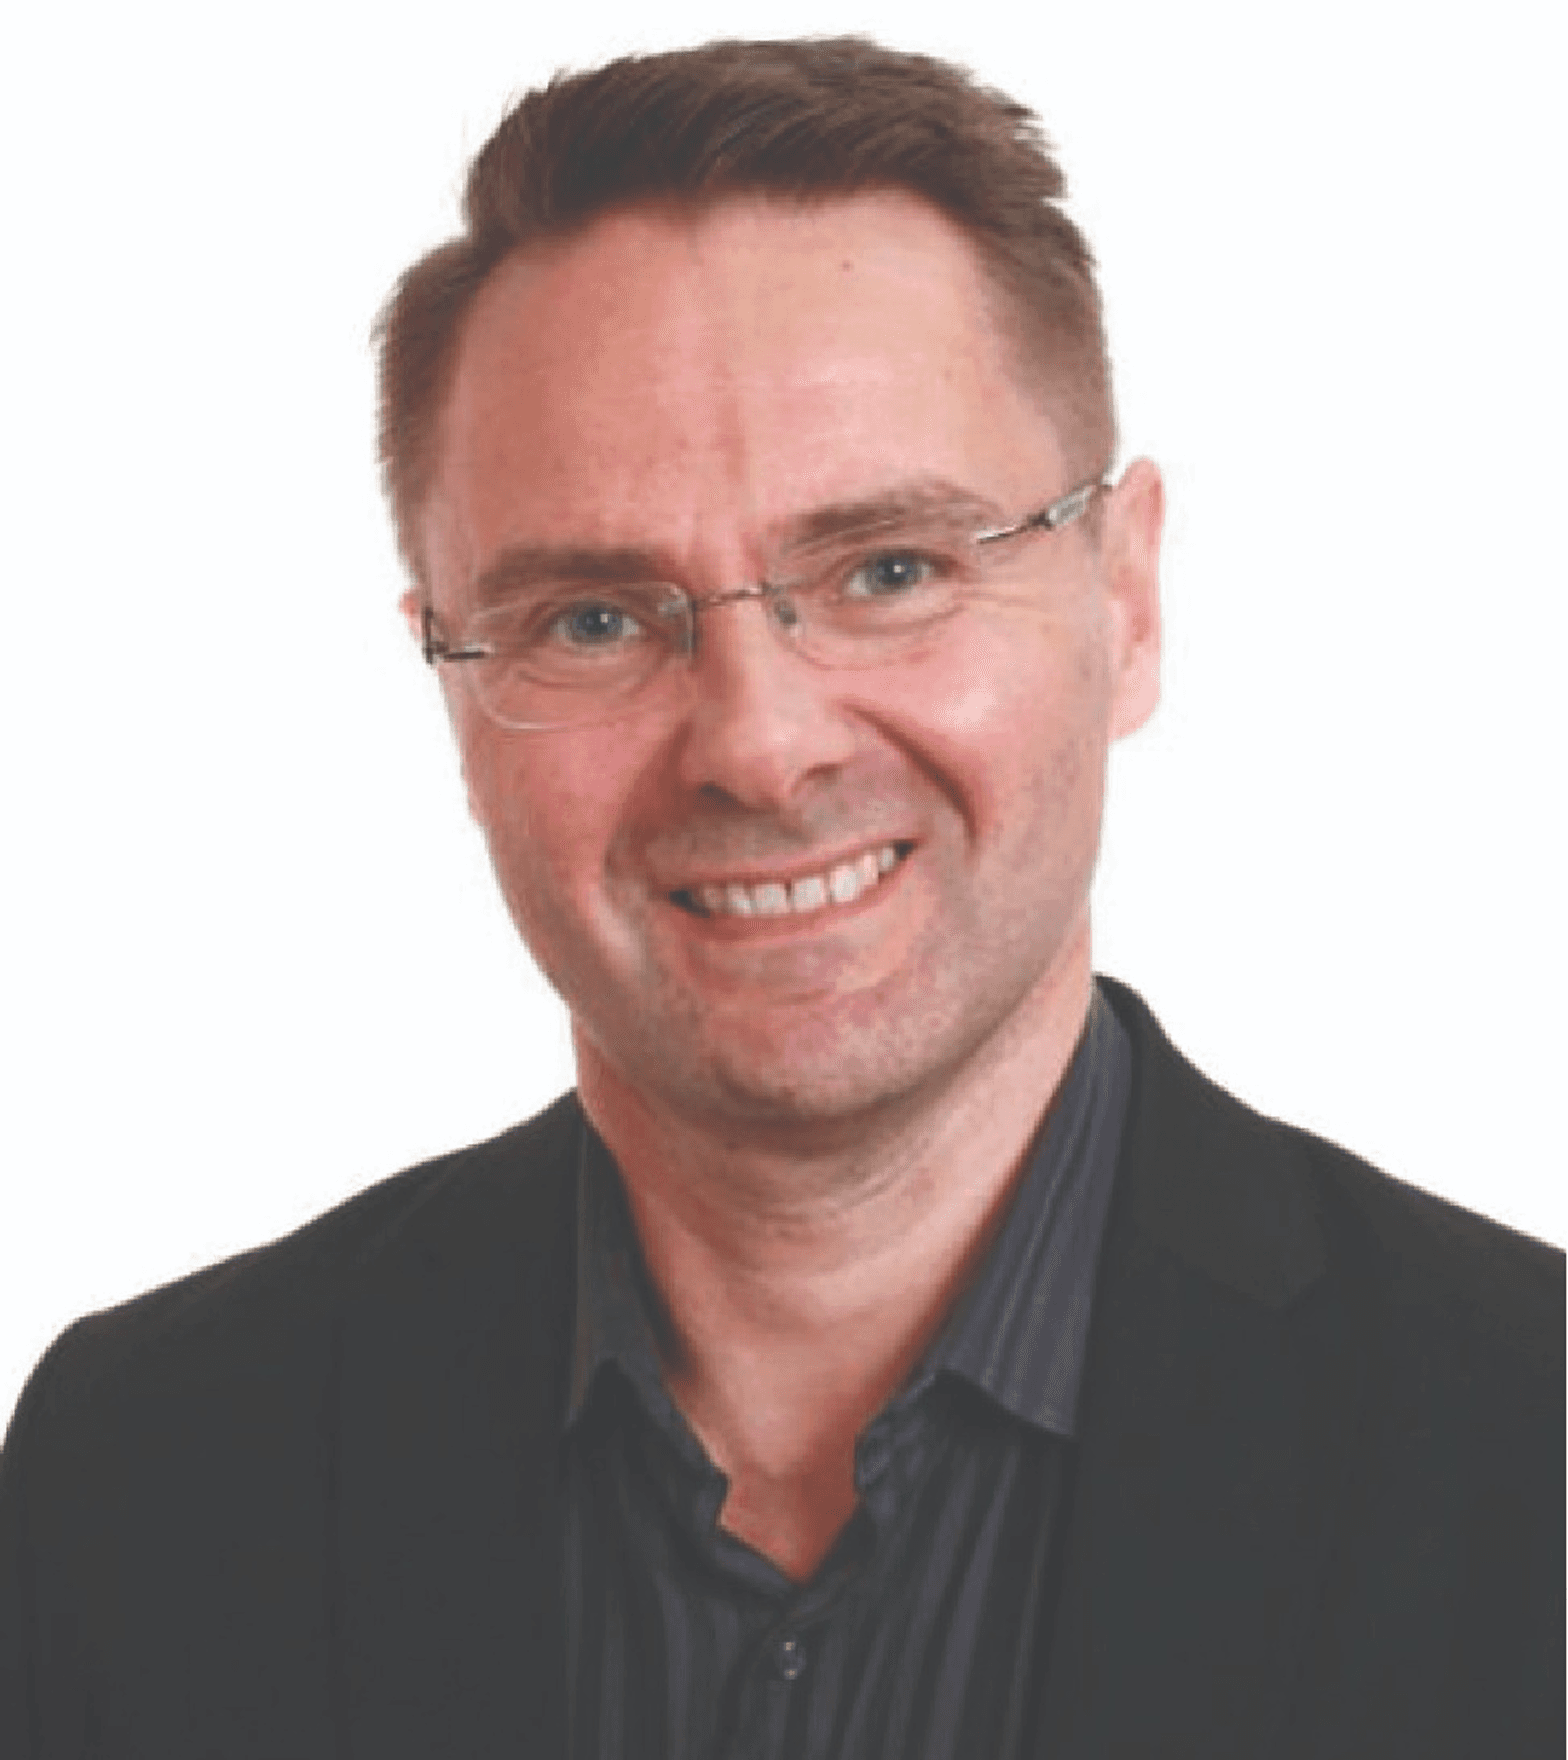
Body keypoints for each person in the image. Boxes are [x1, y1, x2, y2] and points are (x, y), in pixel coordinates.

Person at [1, 36, 1560, 1759]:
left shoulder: (1531, 1455)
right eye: (594, 618)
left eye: (888, 570)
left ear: (1125, 600)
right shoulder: (137, 1480)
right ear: (452, 686)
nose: (758, 744)